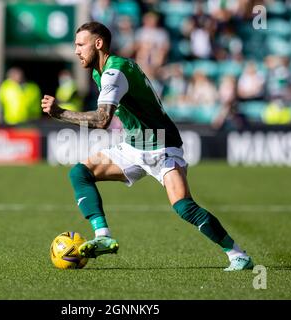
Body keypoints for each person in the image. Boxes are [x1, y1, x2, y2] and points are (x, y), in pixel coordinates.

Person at [41, 22, 254, 271]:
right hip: (134, 146)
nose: (76, 50)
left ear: (98, 44)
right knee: (80, 172)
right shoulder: (101, 72)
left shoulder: (114, 71)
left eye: (80, 44)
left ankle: (238, 255)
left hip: (161, 146)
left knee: (184, 207)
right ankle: (102, 236)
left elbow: (102, 120)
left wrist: (61, 113)